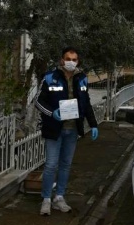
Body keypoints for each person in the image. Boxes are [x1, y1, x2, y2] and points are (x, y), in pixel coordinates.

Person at [35, 46, 99, 216]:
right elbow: (38, 101)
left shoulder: (82, 79)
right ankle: (46, 199)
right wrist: (52, 113)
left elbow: (86, 104)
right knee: (50, 165)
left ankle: (59, 197)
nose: (71, 62)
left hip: (72, 130)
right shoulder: (49, 77)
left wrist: (93, 125)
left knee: (65, 165)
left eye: (74, 59)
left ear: (78, 61)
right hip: (54, 129)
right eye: (68, 59)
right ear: (62, 60)